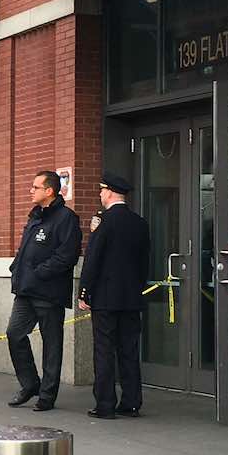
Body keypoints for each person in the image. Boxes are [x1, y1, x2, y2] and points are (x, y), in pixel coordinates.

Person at [5, 171, 82, 412]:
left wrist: (39, 272)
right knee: (14, 334)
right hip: (26, 290)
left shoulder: (66, 218)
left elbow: (67, 255)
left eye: (35, 187)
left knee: (52, 344)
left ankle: (47, 396)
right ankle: (30, 384)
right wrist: (16, 268)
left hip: (49, 292)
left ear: (49, 191)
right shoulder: (35, 216)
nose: (31, 190)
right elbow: (25, 249)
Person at [78, 172, 151, 419]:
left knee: (104, 350)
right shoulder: (140, 222)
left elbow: (93, 258)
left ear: (109, 192)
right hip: (131, 297)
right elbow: (144, 263)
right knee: (129, 350)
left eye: (101, 191)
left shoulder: (103, 221)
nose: (100, 195)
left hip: (105, 297)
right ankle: (131, 402)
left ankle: (105, 404)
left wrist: (84, 291)